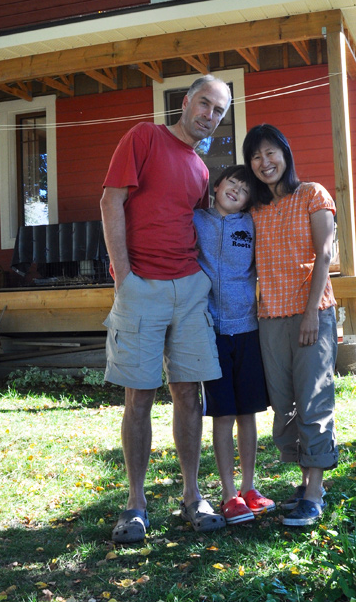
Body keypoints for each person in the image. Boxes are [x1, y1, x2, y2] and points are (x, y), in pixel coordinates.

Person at [100, 74, 232, 544]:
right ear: (186, 101)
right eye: (204, 104)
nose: (209, 115)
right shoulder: (144, 137)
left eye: (218, 111)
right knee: (139, 396)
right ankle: (136, 504)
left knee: (189, 393)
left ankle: (192, 495)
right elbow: (110, 201)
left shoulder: (199, 168)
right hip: (142, 287)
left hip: (190, 287)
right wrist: (124, 275)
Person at [243, 123, 338, 527]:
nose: (265, 162)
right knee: (283, 404)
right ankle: (305, 483)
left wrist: (311, 312)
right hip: (269, 318)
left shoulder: (312, 194)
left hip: (310, 313)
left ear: (285, 153)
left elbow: (325, 254)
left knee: (313, 400)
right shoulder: (255, 209)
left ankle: (315, 493)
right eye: (256, 156)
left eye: (271, 152)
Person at [194, 165, 275, 525]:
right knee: (223, 414)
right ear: (216, 186)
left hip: (247, 329)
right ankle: (228, 495)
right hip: (211, 330)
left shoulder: (251, 224)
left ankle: (249, 488)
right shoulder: (196, 220)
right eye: (232, 182)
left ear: (249, 199)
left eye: (245, 189)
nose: (237, 190)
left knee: (248, 414)